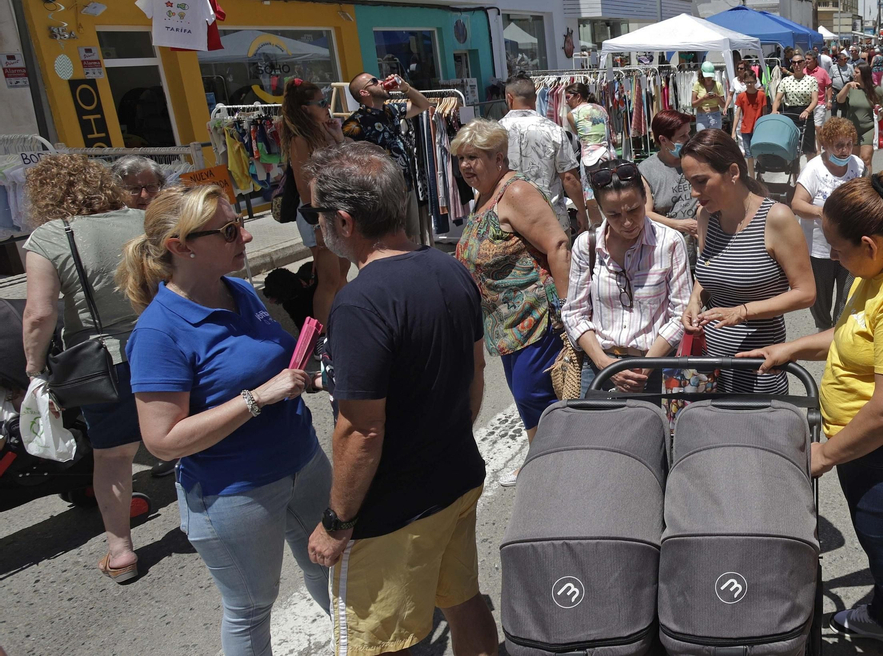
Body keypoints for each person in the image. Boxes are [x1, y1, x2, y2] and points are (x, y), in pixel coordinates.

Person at [743, 170, 883, 656]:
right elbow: (853, 336)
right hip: (876, 455)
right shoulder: (882, 267)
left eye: (838, 251)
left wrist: (825, 454)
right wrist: (790, 348)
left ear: (868, 244)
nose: (834, 260)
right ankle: (879, 618)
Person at [302, 142, 499, 656]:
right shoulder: (450, 268)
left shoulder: (360, 302)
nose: (315, 224)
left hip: (394, 508)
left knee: (379, 642)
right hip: (455, 476)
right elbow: (474, 371)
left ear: (345, 221)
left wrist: (337, 522)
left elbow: (361, 429)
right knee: (463, 601)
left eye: (315, 213)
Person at [119, 186, 330, 654]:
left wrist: (312, 379)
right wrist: (257, 398)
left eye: (240, 225)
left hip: (304, 463)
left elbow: (271, 368)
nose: (247, 237)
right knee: (252, 607)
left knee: (331, 568)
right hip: (234, 493)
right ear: (180, 246)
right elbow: (163, 441)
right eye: (230, 231)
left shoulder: (239, 290)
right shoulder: (157, 332)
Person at [20, 155, 147, 582]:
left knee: (114, 456)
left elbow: (40, 314)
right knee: (182, 432)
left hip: (106, 360)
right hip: (164, 344)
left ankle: (121, 552)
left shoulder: (48, 237)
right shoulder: (141, 219)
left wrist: (34, 368)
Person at [451, 120, 571, 474]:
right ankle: (543, 465)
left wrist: (568, 312)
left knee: (537, 396)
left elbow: (558, 245)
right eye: (461, 158)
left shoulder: (515, 192)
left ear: (498, 158)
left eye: (473, 157)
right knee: (528, 399)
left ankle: (552, 469)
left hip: (536, 319)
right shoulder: (484, 196)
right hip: (506, 325)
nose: (465, 166)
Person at [679, 130, 814, 395]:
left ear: (733, 172)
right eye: (690, 183)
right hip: (708, 366)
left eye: (701, 181)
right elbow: (709, 271)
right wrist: (694, 300)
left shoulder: (776, 218)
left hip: (759, 368)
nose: (694, 192)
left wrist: (741, 311)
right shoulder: (706, 216)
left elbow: (806, 293)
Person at [563, 159, 692, 395]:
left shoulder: (670, 243)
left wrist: (645, 367)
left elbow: (681, 314)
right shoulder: (586, 245)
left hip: (657, 365)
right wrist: (605, 364)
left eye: (634, 210)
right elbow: (574, 313)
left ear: (645, 199)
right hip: (599, 367)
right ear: (601, 209)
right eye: (614, 215)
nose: (627, 222)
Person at [278, 78, 347, 324]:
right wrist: (318, 223)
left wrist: (338, 138)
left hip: (335, 208)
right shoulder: (300, 140)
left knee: (342, 274)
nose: (327, 106)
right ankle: (323, 335)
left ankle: (344, 323)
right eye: (321, 102)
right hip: (318, 212)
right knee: (329, 280)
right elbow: (303, 186)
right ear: (305, 109)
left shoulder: (325, 131)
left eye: (326, 101)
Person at [342, 71, 434, 240]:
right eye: (374, 81)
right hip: (384, 193)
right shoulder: (354, 124)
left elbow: (423, 104)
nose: (381, 81)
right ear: (364, 92)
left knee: (411, 239)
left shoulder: (391, 110)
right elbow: (350, 162)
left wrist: (405, 88)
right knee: (391, 240)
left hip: (406, 186)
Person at [792, 118, 864, 330]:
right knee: (820, 300)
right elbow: (797, 204)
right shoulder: (813, 170)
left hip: (849, 247)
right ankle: (823, 330)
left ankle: (839, 333)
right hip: (819, 250)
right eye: (839, 145)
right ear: (825, 144)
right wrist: (822, 213)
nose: (845, 150)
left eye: (849, 144)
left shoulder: (857, 165)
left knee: (847, 296)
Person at [502, 77, 587, 234]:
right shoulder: (554, 130)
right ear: (535, 98)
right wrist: (582, 211)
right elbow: (569, 178)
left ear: (509, 97)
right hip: (551, 221)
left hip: (509, 221)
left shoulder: (495, 132)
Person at [640, 109, 699, 241]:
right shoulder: (647, 170)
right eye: (682, 136)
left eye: (688, 133)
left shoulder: (696, 160)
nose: (688, 139)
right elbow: (646, 213)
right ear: (663, 140)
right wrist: (679, 225)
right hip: (667, 241)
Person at [566, 81, 613, 228]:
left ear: (578, 96)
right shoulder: (601, 109)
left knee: (590, 196)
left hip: (590, 158)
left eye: (568, 97)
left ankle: (597, 228)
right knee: (610, 191)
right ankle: (613, 224)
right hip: (607, 154)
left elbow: (579, 135)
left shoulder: (572, 114)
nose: (566, 102)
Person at [836, 62, 882, 174]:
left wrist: (880, 112)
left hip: (869, 128)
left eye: (856, 72)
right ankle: (855, 182)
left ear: (864, 74)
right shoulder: (851, 88)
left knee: (866, 159)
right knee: (854, 160)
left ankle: (867, 183)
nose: (853, 74)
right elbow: (839, 100)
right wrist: (847, 86)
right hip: (852, 129)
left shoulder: (877, 90)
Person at [776, 52, 821, 157]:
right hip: (790, 113)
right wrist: (774, 110)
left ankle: (810, 167)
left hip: (806, 112)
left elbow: (815, 100)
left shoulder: (811, 80)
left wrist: (807, 111)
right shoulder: (785, 80)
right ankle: (795, 167)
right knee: (792, 147)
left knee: (809, 148)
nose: (797, 65)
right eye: (794, 63)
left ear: (804, 63)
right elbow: (778, 99)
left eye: (799, 62)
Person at [733, 70, 769, 153]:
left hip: (758, 129)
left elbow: (764, 114)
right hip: (745, 129)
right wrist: (733, 131)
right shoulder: (741, 96)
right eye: (747, 82)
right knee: (748, 154)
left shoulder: (761, 95)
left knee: (759, 153)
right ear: (744, 82)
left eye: (751, 82)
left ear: (755, 82)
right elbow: (737, 115)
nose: (749, 84)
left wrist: (765, 129)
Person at [691, 61, 728, 131]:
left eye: (710, 76)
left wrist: (717, 97)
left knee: (715, 136)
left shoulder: (718, 85)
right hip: (701, 115)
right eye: (707, 76)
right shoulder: (697, 84)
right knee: (702, 137)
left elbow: (723, 105)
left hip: (715, 115)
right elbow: (693, 105)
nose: (708, 78)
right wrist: (703, 98)